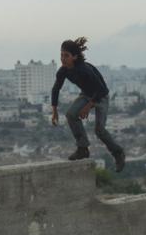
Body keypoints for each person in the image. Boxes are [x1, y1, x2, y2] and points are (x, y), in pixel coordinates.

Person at [51, 37, 126, 172]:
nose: (63, 59)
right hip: (86, 94)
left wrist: (88, 106)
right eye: (61, 55)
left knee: (100, 130)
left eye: (66, 56)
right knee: (70, 115)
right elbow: (56, 89)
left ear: (74, 57)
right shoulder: (63, 71)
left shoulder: (84, 69)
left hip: (101, 96)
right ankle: (82, 148)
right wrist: (54, 110)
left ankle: (118, 153)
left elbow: (101, 89)